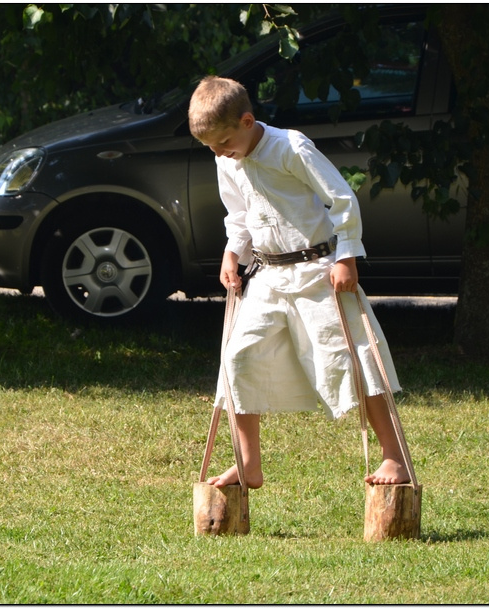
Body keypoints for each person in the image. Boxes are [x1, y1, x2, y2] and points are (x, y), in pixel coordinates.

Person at [188, 75, 409, 489]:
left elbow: (341, 198)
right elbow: (239, 213)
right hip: (268, 276)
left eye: (223, 143)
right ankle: (248, 464)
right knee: (238, 359)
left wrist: (346, 256)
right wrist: (233, 251)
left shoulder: (290, 147)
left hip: (318, 270)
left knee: (355, 358)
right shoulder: (226, 159)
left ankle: (393, 457)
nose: (219, 153)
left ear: (248, 121)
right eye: (211, 148)